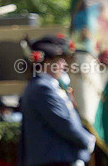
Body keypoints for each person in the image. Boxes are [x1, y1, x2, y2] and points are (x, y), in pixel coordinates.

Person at [19, 35, 96, 166]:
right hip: (55, 160)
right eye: (60, 60)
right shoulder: (42, 87)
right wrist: (88, 140)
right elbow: (63, 123)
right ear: (47, 62)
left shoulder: (48, 85)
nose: (64, 64)